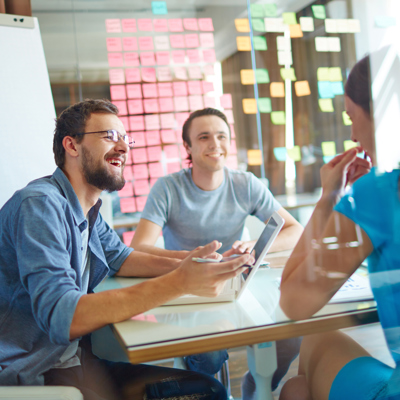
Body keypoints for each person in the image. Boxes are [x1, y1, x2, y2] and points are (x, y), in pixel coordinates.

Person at [0, 99, 253, 400]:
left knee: (209, 389)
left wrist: (191, 263)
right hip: (29, 374)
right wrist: (179, 282)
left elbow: (121, 257)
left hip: (72, 361)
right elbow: (62, 316)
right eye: (110, 136)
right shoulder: (41, 206)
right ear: (72, 145)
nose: (123, 147)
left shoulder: (88, 207)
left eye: (125, 138)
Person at [131, 108, 304, 394]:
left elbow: (293, 229)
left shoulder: (246, 184)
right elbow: (139, 248)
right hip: (190, 294)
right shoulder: (168, 189)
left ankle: (254, 385)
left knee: (289, 337)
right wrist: (190, 261)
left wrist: (254, 244)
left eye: (222, 136)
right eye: (204, 136)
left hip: (238, 287)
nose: (215, 144)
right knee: (210, 354)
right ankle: (206, 390)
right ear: (187, 146)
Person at [279, 55, 400, 400]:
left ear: (382, 114)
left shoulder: (378, 194)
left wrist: (329, 199)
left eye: (352, 117)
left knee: (312, 348)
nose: (352, 133)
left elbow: (293, 302)